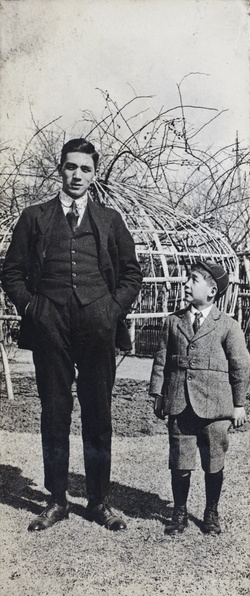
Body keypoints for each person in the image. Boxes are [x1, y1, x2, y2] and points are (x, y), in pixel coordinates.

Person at [2, 138, 142, 532]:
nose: (77, 175)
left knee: (98, 415)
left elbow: (132, 272)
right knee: (55, 412)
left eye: (85, 169)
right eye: (70, 167)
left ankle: (99, 501)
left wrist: (111, 309)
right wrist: (33, 308)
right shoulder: (35, 216)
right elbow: (10, 272)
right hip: (51, 327)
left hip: (97, 326)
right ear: (59, 170)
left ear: (94, 174)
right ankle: (56, 499)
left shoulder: (110, 219)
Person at [149, 261, 249, 535]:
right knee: (180, 461)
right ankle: (179, 512)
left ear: (212, 290)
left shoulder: (228, 326)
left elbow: (240, 366)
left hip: (216, 409)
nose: (186, 284)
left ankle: (211, 511)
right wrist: (157, 393)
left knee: (213, 461)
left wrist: (238, 405)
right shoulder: (173, 321)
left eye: (193, 280)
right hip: (180, 404)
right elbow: (161, 361)